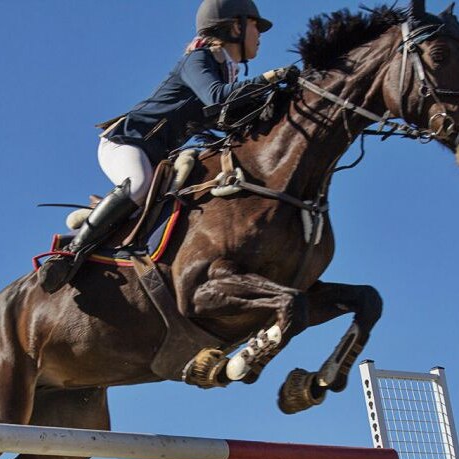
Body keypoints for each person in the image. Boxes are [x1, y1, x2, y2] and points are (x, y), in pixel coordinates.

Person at [39, 0, 300, 294]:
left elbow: (232, 117)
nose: (260, 34)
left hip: (158, 156)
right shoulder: (199, 59)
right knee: (137, 185)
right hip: (126, 142)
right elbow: (218, 98)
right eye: (255, 26)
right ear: (235, 26)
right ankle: (71, 255)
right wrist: (269, 78)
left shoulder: (226, 71)